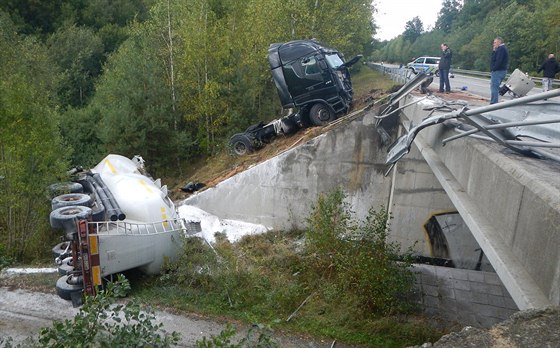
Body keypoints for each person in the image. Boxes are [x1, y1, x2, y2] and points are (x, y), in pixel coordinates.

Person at [490, 37, 509, 104]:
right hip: (501, 71)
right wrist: (494, 51)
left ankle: (493, 103)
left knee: (494, 87)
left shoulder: (501, 49)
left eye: (495, 42)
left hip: (498, 71)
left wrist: (494, 69)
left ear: (499, 42)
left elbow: (498, 60)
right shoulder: (501, 49)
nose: (493, 44)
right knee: (496, 87)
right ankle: (503, 90)